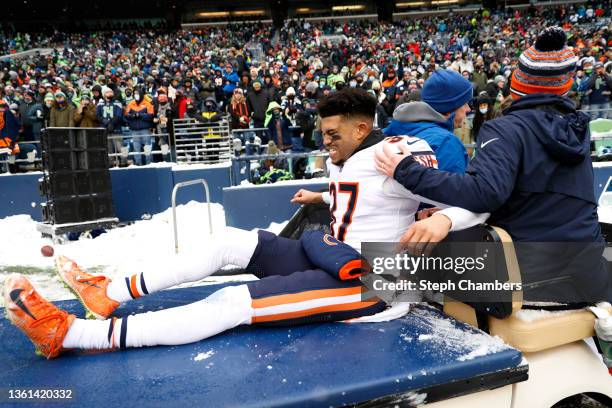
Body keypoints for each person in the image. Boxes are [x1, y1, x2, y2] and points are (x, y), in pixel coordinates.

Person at [4, 88, 485, 358]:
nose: (325, 143)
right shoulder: (356, 155)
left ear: (362, 129)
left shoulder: (395, 155)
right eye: (322, 134)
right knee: (226, 243)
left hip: (374, 281)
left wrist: (443, 218)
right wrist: (322, 193)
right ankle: (114, 292)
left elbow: (477, 200)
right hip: (334, 250)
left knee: (232, 301)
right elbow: (363, 196)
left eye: (333, 134)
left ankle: (72, 336)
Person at [374, 27, 612, 303]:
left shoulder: (506, 128)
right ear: (566, 86)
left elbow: (485, 192)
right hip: (585, 272)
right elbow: (534, 198)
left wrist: (407, 170)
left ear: (518, 83)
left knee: (414, 275)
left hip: (529, 276)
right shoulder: (578, 129)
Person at [383, 69, 471, 173]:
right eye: (464, 103)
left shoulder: (390, 130)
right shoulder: (446, 143)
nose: (468, 109)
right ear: (449, 107)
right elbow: (456, 188)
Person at [125, 87, 155, 166]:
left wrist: (140, 115)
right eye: (134, 94)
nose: (136, 95)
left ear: (141, 94)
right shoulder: (131, 104)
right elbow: (126, 115)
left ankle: (149, 163)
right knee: (136, 147)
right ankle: (138, 163)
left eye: (137, 94)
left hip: (145, 129)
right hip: (134, 129)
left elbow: (151, 115)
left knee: (147, 146)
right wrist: (133, 116)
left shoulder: (147, 103)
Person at [97, 87, 125, 167]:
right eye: (107, 92)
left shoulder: (117, 103)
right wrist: (105, 122)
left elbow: (119, 115)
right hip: (106, 130)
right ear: (103, 94)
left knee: (119, 147)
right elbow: (98, 115)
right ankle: (111, 163)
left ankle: (123, 162)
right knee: (109, 149)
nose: (110, 94)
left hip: (117, 129)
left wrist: (112, 123)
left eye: (111, 92)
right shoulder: (100, 104)